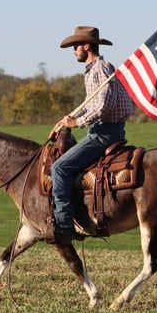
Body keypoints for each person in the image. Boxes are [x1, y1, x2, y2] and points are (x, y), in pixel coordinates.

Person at [47, 26, 134, 245]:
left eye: (75, 46)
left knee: (59, 167)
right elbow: (92, 104)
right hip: (108, 129)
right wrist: (68, 118)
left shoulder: (99, 69)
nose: (74, 51)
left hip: (103, 133)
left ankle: (64, 225)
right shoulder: (99, 69)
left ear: (86, 46)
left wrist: (76, 122)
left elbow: (103, 106)